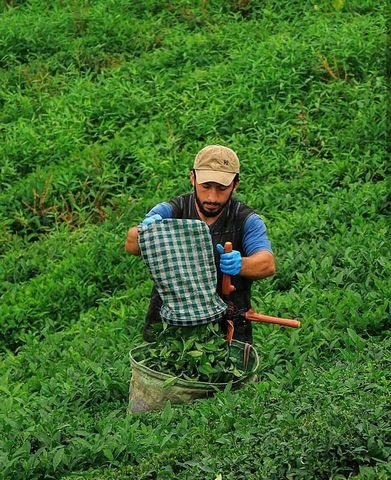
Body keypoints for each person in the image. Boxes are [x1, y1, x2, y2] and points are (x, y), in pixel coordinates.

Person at [125, 144, 275, 343]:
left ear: (235, 184)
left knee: (228, 372)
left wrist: (241, 264)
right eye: (205, 186)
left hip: (227, 326)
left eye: (222, 188)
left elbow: (267, 263)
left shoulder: (245, 220)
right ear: (193, 178)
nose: (212, 197)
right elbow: (131, 246)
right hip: (169, 323)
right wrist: (143, 231)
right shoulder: (174, 210)